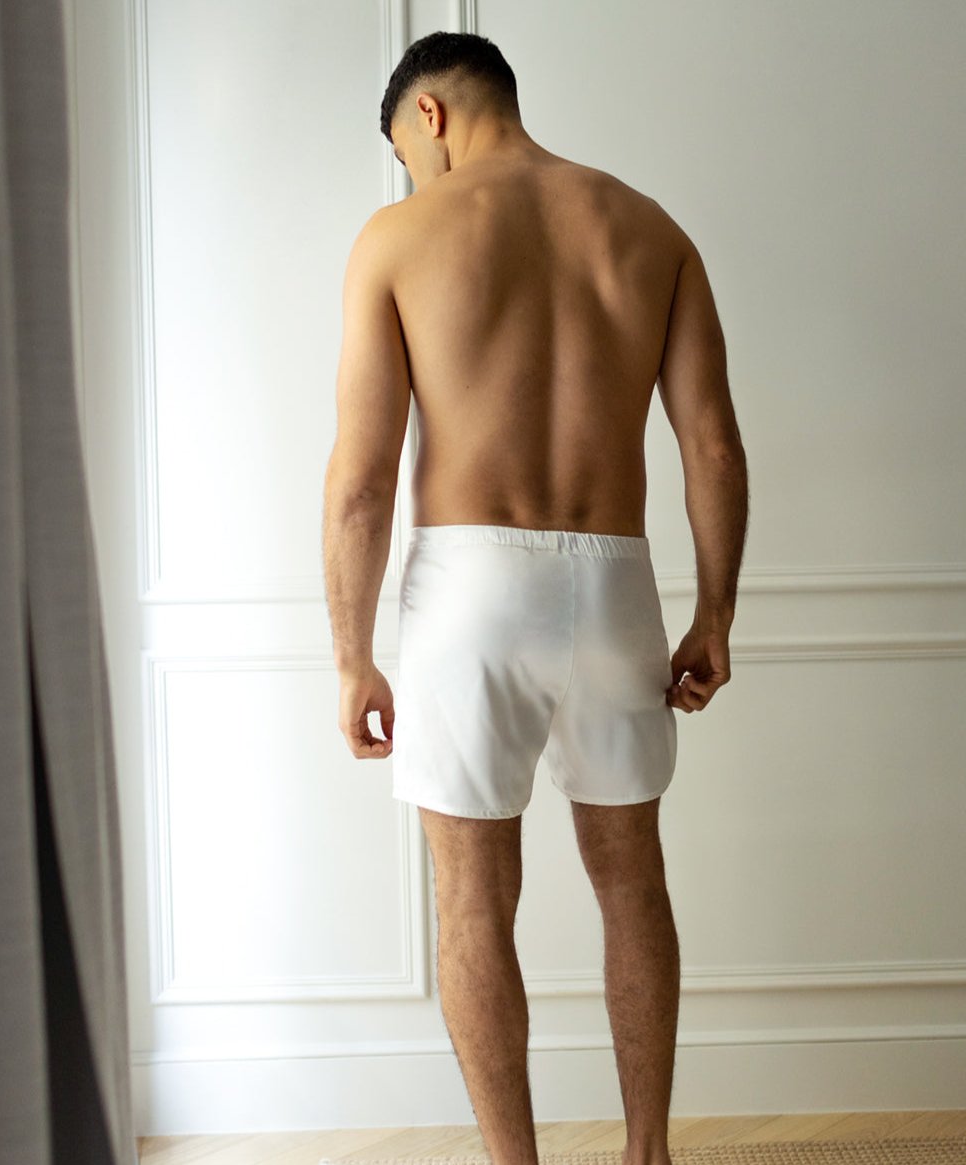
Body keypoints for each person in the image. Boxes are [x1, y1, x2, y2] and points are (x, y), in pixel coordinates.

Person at [321, 29, 749, 1165]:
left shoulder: (399, 237)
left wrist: (351, 654)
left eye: (410, 155)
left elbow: (361, 480)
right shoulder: (649, 230)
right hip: (613, 581)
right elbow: (709, 444)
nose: (415, 178)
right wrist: (713, 613)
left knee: (472, 896)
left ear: (431, 117)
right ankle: (646, 1153)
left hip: (469, 585)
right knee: (630, 880)